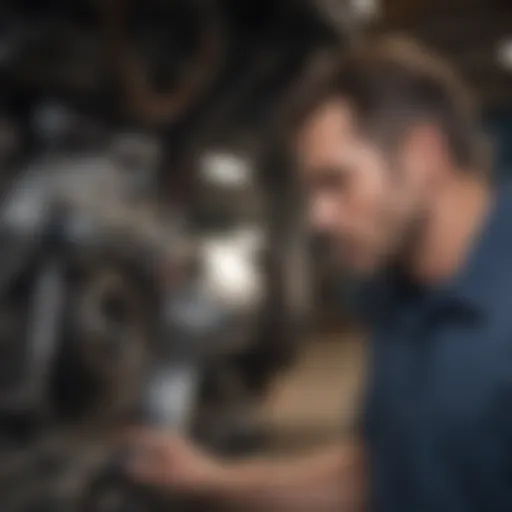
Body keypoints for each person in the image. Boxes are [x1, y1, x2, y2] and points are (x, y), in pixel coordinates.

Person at [125, 36, 512, 511]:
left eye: (337, 181)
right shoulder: (402, 291)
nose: (317, 218)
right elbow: (376, 471)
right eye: (311, 191)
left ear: (423, 156)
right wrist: (210, 478)